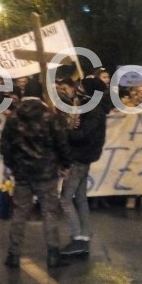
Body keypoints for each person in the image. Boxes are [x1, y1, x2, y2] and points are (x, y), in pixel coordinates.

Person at [0, 79, 71, 269]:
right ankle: (53, 254)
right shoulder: (49, 116)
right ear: (41, 94)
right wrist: (65, 163)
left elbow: (5, 146)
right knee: (49, 212)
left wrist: (12, 165)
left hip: (22, 173)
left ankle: (13, 254)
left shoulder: (14, 117)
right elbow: (61, 142)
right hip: (46, 172)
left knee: (20, 212)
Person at [58, 77, 107, 257]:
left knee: (65, 199)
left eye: (81, 86)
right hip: (84, 158)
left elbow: (83, 135)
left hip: (78, 158)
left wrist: (66, 132)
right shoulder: (92, 108)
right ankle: (85, 235)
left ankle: (77, 237)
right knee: (80, 198)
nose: (78, 89)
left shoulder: (93, 111)